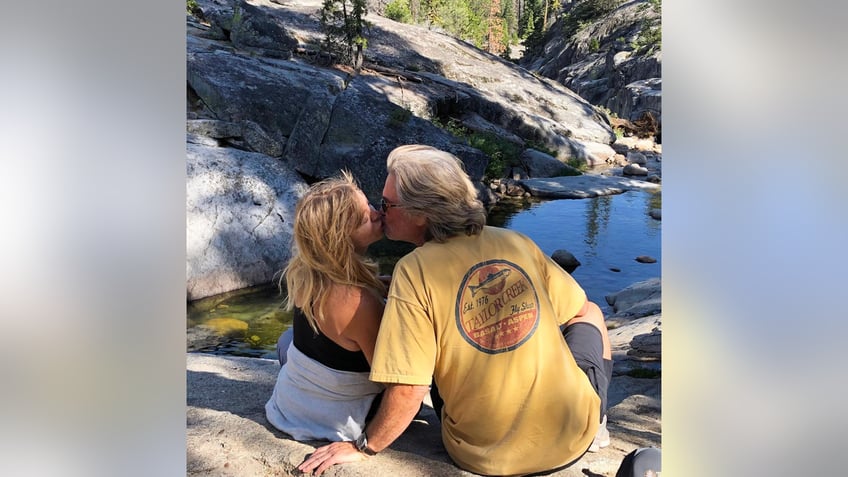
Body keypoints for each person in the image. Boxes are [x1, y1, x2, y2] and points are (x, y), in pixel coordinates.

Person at [298, 145, 614, 476]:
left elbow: (410, 389)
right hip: (572, 439)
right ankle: (598, 426)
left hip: (481, 455)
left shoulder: (415, 270)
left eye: (387, 204)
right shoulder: (516, 242)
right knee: (591, 312)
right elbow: (576, 309)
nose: (381, 212)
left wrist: (365, 447)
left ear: (420, 213)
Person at [265, 170, 387, 442]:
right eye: (365, 215)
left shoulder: (304, 274)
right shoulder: (359, 302)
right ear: (341, 235)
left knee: (288, 339)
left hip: (290, 404)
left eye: (370, 204)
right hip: (338, 417)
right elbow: (388, 378)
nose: (377, 212)